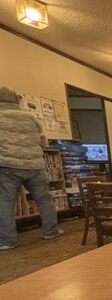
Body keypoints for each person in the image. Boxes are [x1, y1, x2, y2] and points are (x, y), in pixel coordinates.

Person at [0, 86, 64, 250]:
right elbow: (43, 142)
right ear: (16, 101)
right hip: (35, 166)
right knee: (44, 200)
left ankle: (7, 241)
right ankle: (51, 231)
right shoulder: (30, 118)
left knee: (5, 203)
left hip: (7, 166)